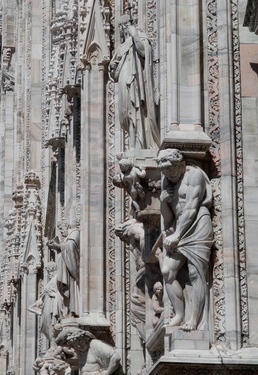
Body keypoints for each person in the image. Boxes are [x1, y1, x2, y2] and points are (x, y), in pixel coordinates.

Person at [155, 148, 213, 331]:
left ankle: (194, 320)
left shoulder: (194, 174)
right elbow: (168, 217)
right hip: (179, 225)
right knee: (167, 271)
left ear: (180, 164)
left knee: (196, 273)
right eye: (164, 172)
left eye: (170, 170)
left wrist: (178, 234)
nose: (167, 175)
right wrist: (164, 202)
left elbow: (191, 207)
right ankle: (179, 314)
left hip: (197, 223)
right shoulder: (167, 179)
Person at [109, 15, 159, 150]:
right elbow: (114, 70)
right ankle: (131, 144)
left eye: (124, 26)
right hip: (123, 82)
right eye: (120, 27)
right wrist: (113, 67)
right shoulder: (122, 46)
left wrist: (135, 35)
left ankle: (139, 145)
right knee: (126, 112)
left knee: (135, 111)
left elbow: (144, 51)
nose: (122, 29)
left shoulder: (140, 36)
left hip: (134, 81)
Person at [55, 327, 121, 375]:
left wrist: (107, 373)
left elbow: (116, 358)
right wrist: (69, 330)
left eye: (79, 343)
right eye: (75, 345)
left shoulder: (94, 344)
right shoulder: (78, 349)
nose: (78, 346)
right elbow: (58, 342)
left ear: (84, 339)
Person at [47, 222, 80, 318]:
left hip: (72, 271)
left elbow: (71, 247)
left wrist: (58, 246)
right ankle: (70, 310)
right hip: (68, 270)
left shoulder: (75, 233)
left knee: (73, 290)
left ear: (68, 226)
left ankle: (74, 311)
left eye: (62, 229)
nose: (61, 232)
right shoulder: (69, 237)